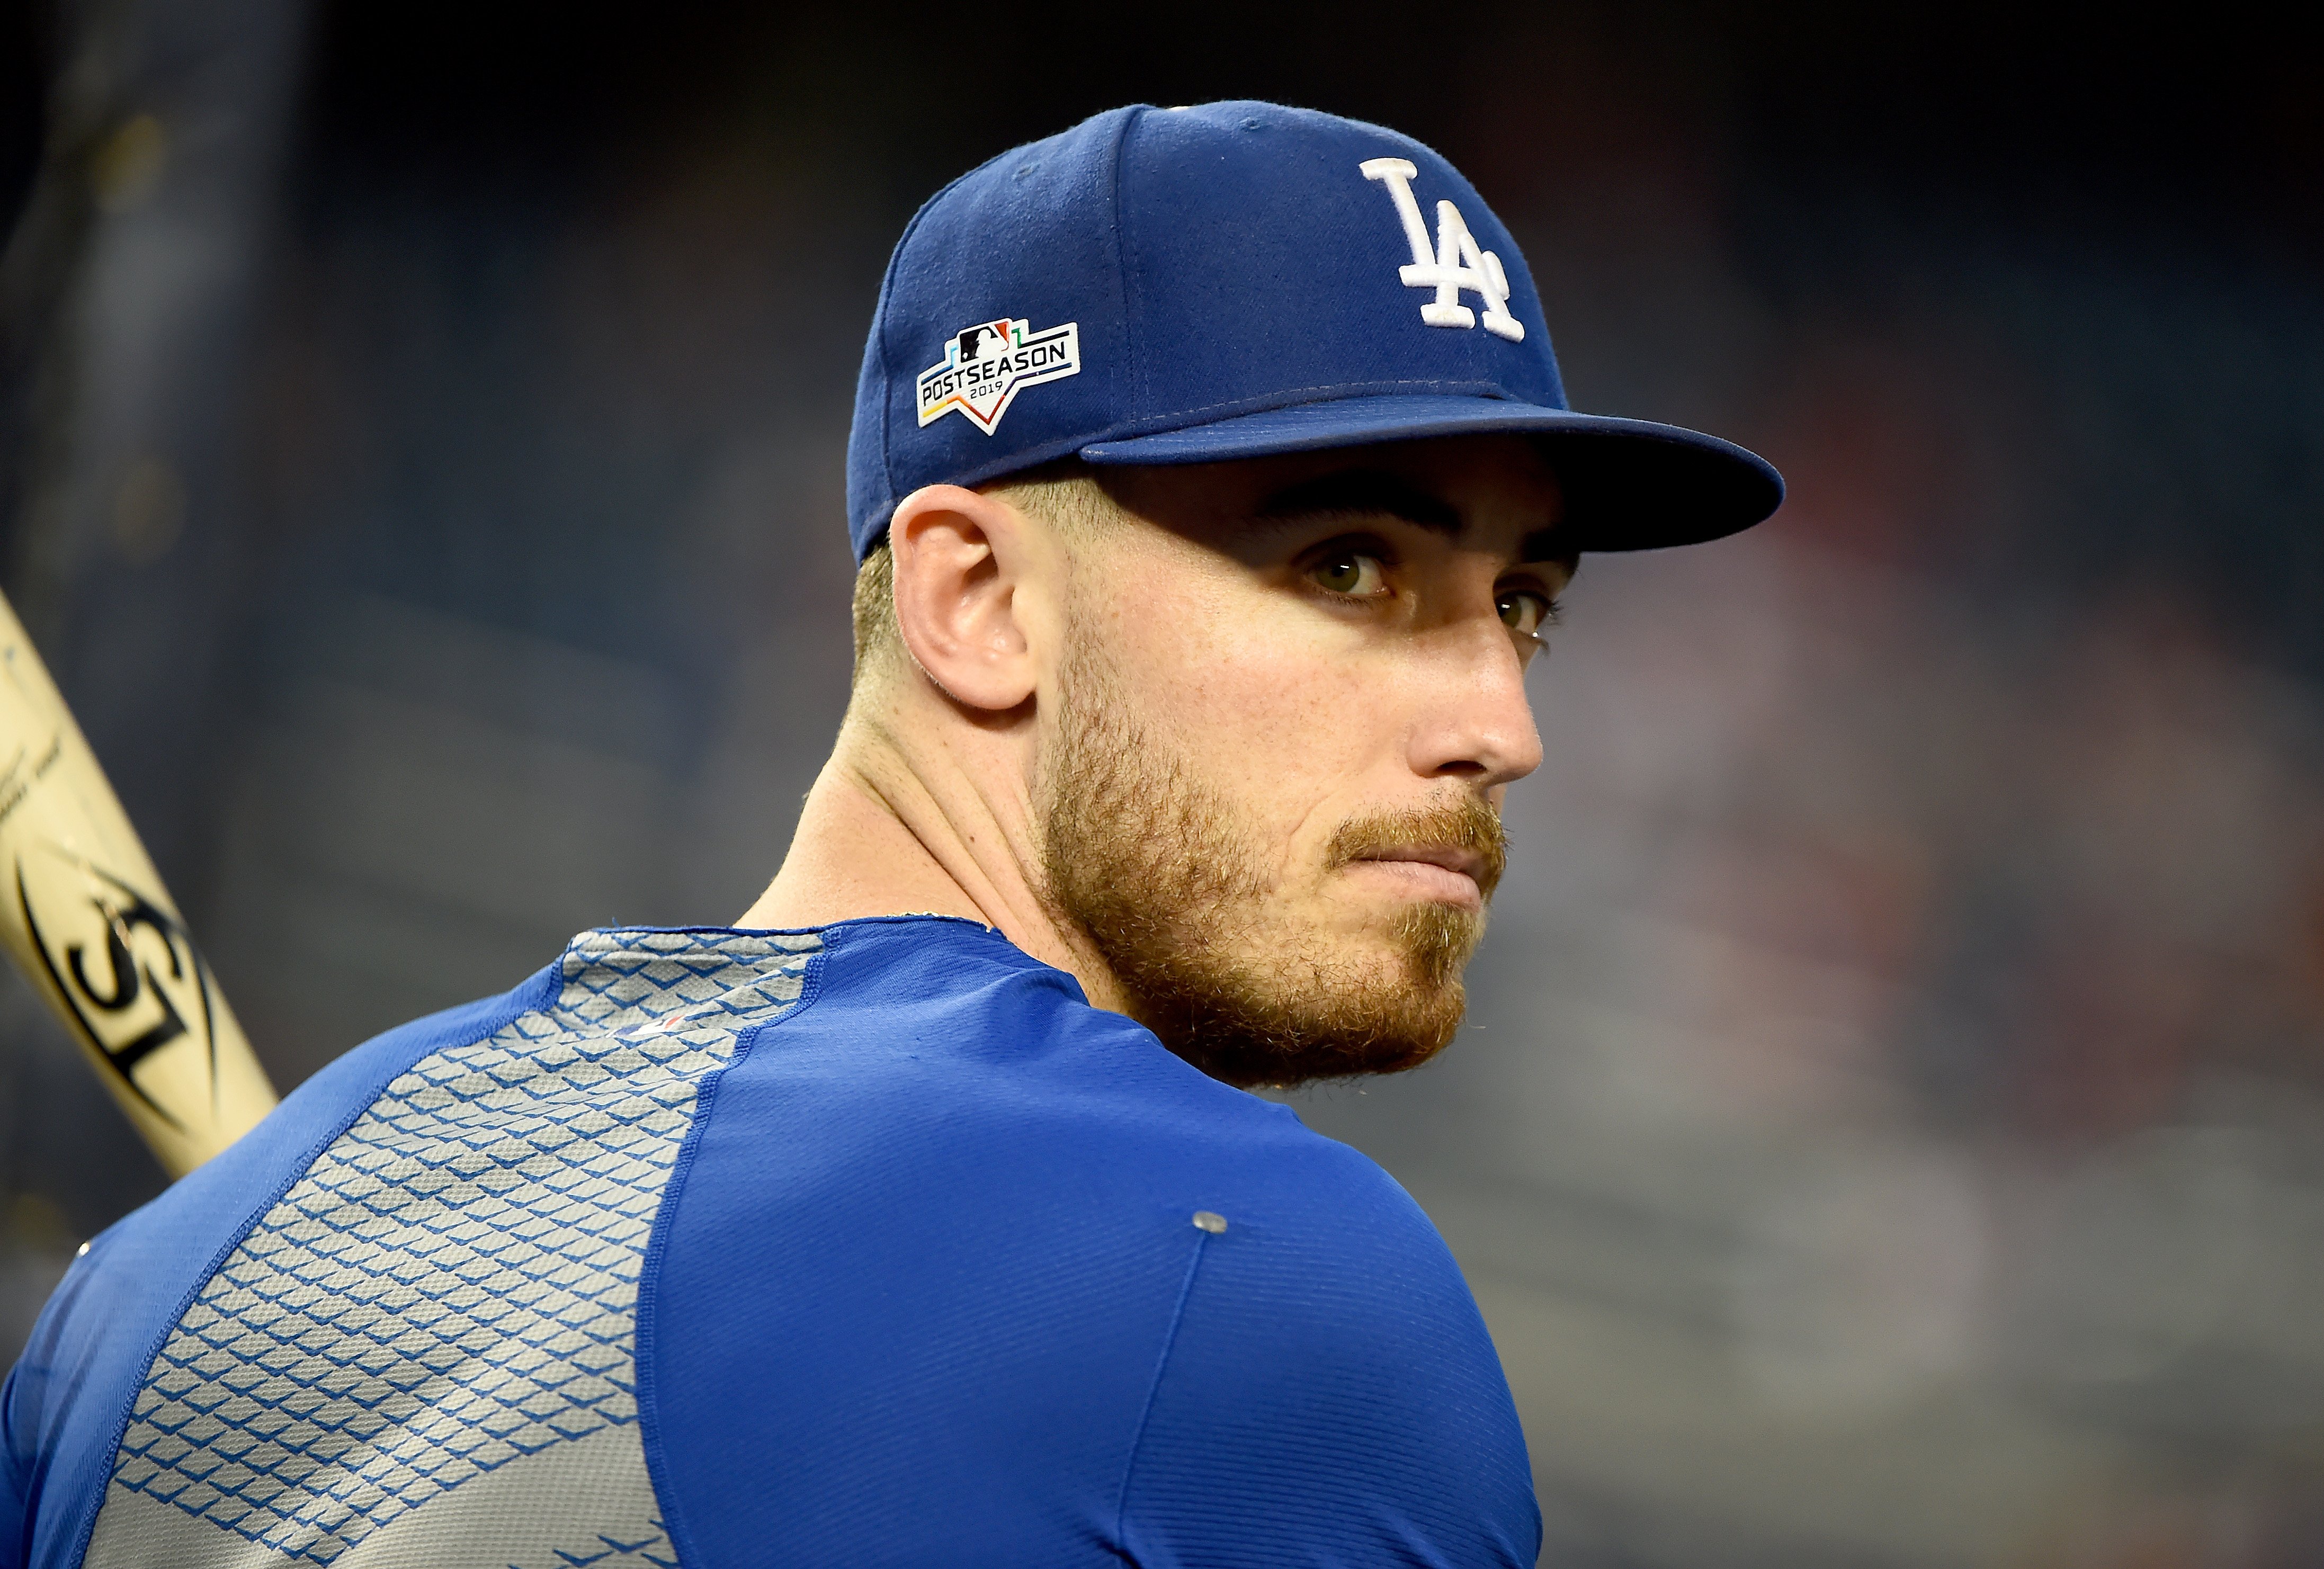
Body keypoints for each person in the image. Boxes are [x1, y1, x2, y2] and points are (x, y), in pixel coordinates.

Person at [2, 101, 1778, 1569]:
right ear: (976, 603)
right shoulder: (1248, 1285)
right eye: (1347, 565)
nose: (1505, 725)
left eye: (1523, 602)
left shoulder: (153, 1298)